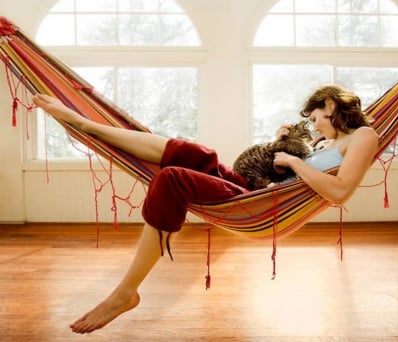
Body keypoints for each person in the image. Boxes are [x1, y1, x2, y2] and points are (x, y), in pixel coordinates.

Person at [32, 84, 378, 334]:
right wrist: (286, 147)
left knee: (173, 179)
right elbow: (292, 165)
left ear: (331, 104)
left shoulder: (363, 136)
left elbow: (341, 191)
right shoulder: (330, 141)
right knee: (194, 152)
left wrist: (292, 160)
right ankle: (90, 126)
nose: (314, 125)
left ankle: (125, 293)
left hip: (262, 205)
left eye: (316, 117)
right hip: (253, 187)